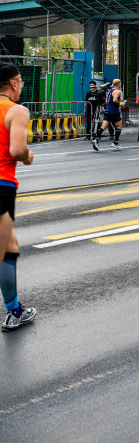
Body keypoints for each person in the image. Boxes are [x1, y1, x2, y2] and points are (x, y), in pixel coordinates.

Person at [0, 62, 36, 331]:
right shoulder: (16, 110)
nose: (21, 86)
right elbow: (17, 149)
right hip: (2, 184)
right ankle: (13, 312)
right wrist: (28, 156)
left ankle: (15, 309)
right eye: (21, 82)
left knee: (9, 245)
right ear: (14, 83)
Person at [92, 79, 124, 151]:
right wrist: (121, 103)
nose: (121, 84)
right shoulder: (118, 91)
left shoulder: (110, 91)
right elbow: (115, 100)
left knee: (103, 127)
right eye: (120, 82)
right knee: (119, 126)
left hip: (107, 110)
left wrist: (119, 100)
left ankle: (96, 139)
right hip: (114, 111)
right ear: (118, 84)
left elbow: (107, 101)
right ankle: (115, 142)